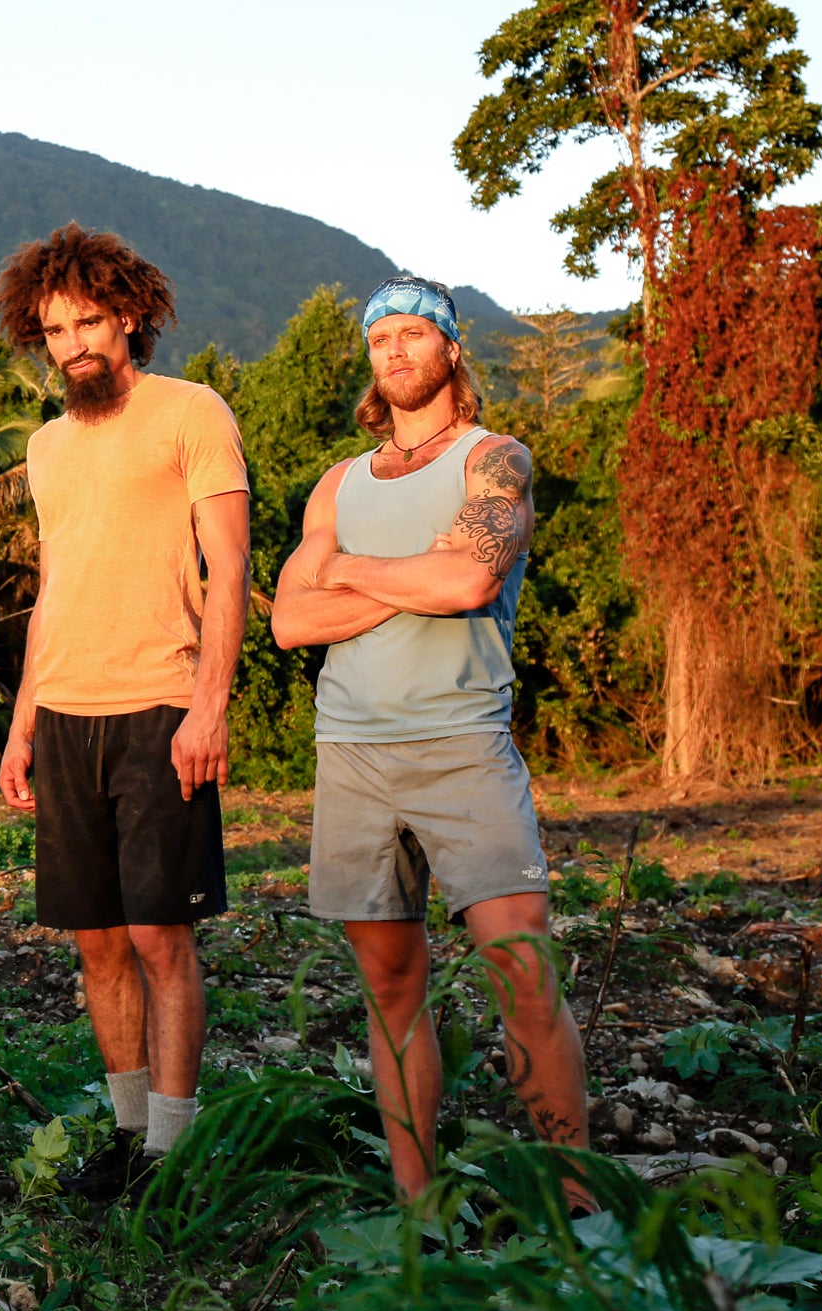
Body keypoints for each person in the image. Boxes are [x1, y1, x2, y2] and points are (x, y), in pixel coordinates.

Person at [271, 275, 591, 1204]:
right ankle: (420, 1207)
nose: (397, 352)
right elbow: (291, 620)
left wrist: (349, 574)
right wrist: (417, 570)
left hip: (463, 745)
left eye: (416, 334)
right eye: (382, 339)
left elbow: (466, 587)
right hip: (354, 755)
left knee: (523, 976)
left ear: (451, 349)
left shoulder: (495, 460)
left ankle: (576, 1201)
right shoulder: (338, 482)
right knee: (391, 993)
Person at [0, 226, 251, 1198]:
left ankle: (172, 1154)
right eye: (54, 330)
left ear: (129, 315)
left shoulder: (191, 412)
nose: (73, 346)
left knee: (157, 935)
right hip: (65, 716)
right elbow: (54, 588)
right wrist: (21, 726)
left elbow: (228, 568)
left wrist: (208, 707)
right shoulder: (47, 445)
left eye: (88, 322)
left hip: (159, 707)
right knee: (96, 938)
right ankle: (129, 1133)